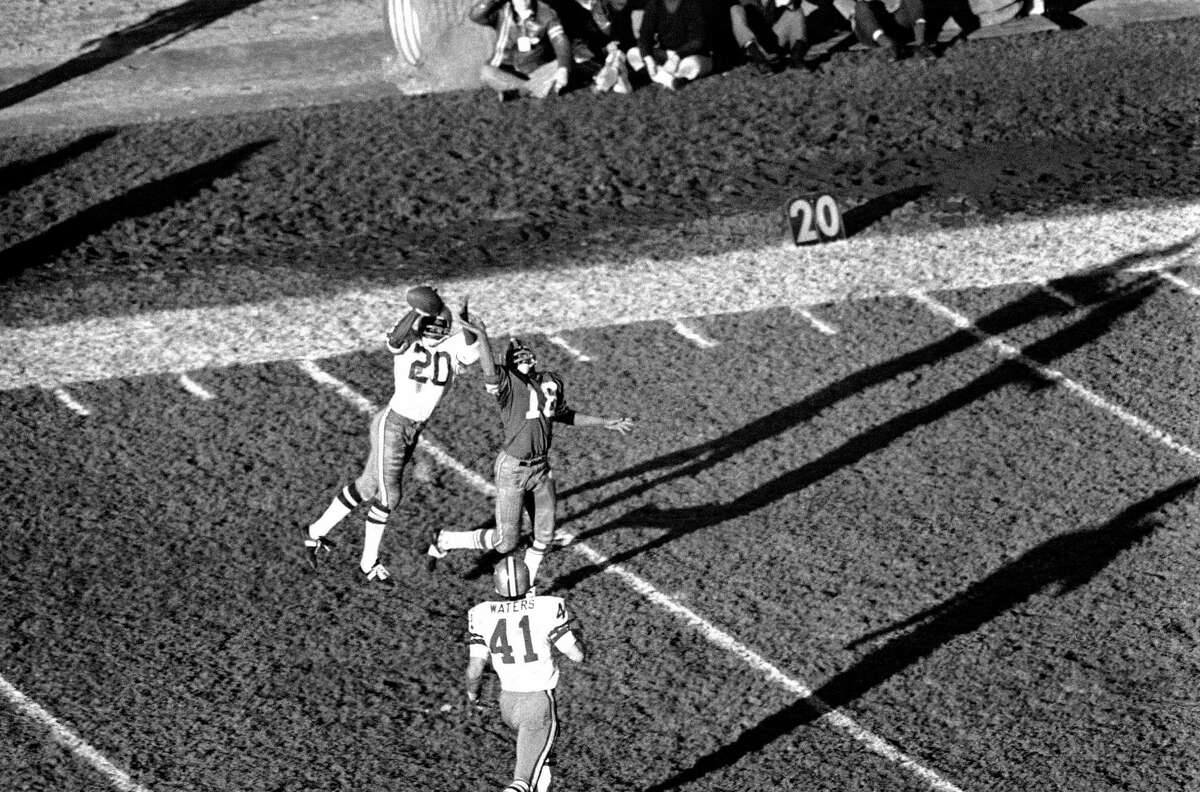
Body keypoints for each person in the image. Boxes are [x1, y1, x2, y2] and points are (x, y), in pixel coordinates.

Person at [430, 315, 633, 586]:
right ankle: (447, 539)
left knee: (544, 536)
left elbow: (562, 414)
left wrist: (604, 422)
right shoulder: (508, 384)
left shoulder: (550, 382)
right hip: (513, 468)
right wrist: (482, 337)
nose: (525, 359)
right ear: (512, 363)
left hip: (540, 468)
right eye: (519, 357)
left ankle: (525, 588)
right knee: (505, 543)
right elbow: (489, 369)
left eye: (527, 355)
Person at [301, 286, 480, 586]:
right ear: (422, 326)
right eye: (431, 324)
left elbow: (472, 350)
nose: (436, 330)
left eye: (440, 326)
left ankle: (314, 533)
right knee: (390, 497)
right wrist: (416, 310)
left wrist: (465, 321)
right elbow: (394, 339)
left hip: (410, 428)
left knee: (368, 486)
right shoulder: (410, 344)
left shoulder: (453, 347)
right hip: (394, 425)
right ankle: (369, 563)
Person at [464, 555, 585, 792]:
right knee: (522, 783)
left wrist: (472, 697)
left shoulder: (482, 614)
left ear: (495, 586)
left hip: (508, 704)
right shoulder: (546, 607)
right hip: (537, 705)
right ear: (529, 583)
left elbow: (475, 669)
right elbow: (577, 655)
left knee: (544, 761)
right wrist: (581, 639)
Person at [470, 0, 575, 100]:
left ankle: (520, 91)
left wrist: (563, 69)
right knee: (487, 73)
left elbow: (559, 39)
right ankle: (533, 89)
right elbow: (475, 16)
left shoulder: (546, 12)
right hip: (508, 68)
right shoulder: (501, 11)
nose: (523, 2)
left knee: (566, 63)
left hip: (537, 68)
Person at [627, 0, 715, 90]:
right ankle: (671, 81)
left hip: (692, 55)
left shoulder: (693, 4)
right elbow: (645, 35)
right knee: (633, 53)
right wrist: (649, 60)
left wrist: (677, 57)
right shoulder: (654, 4)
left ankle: (661, 76)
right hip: (666, 54)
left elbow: (697, 41)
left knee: (693, 64)